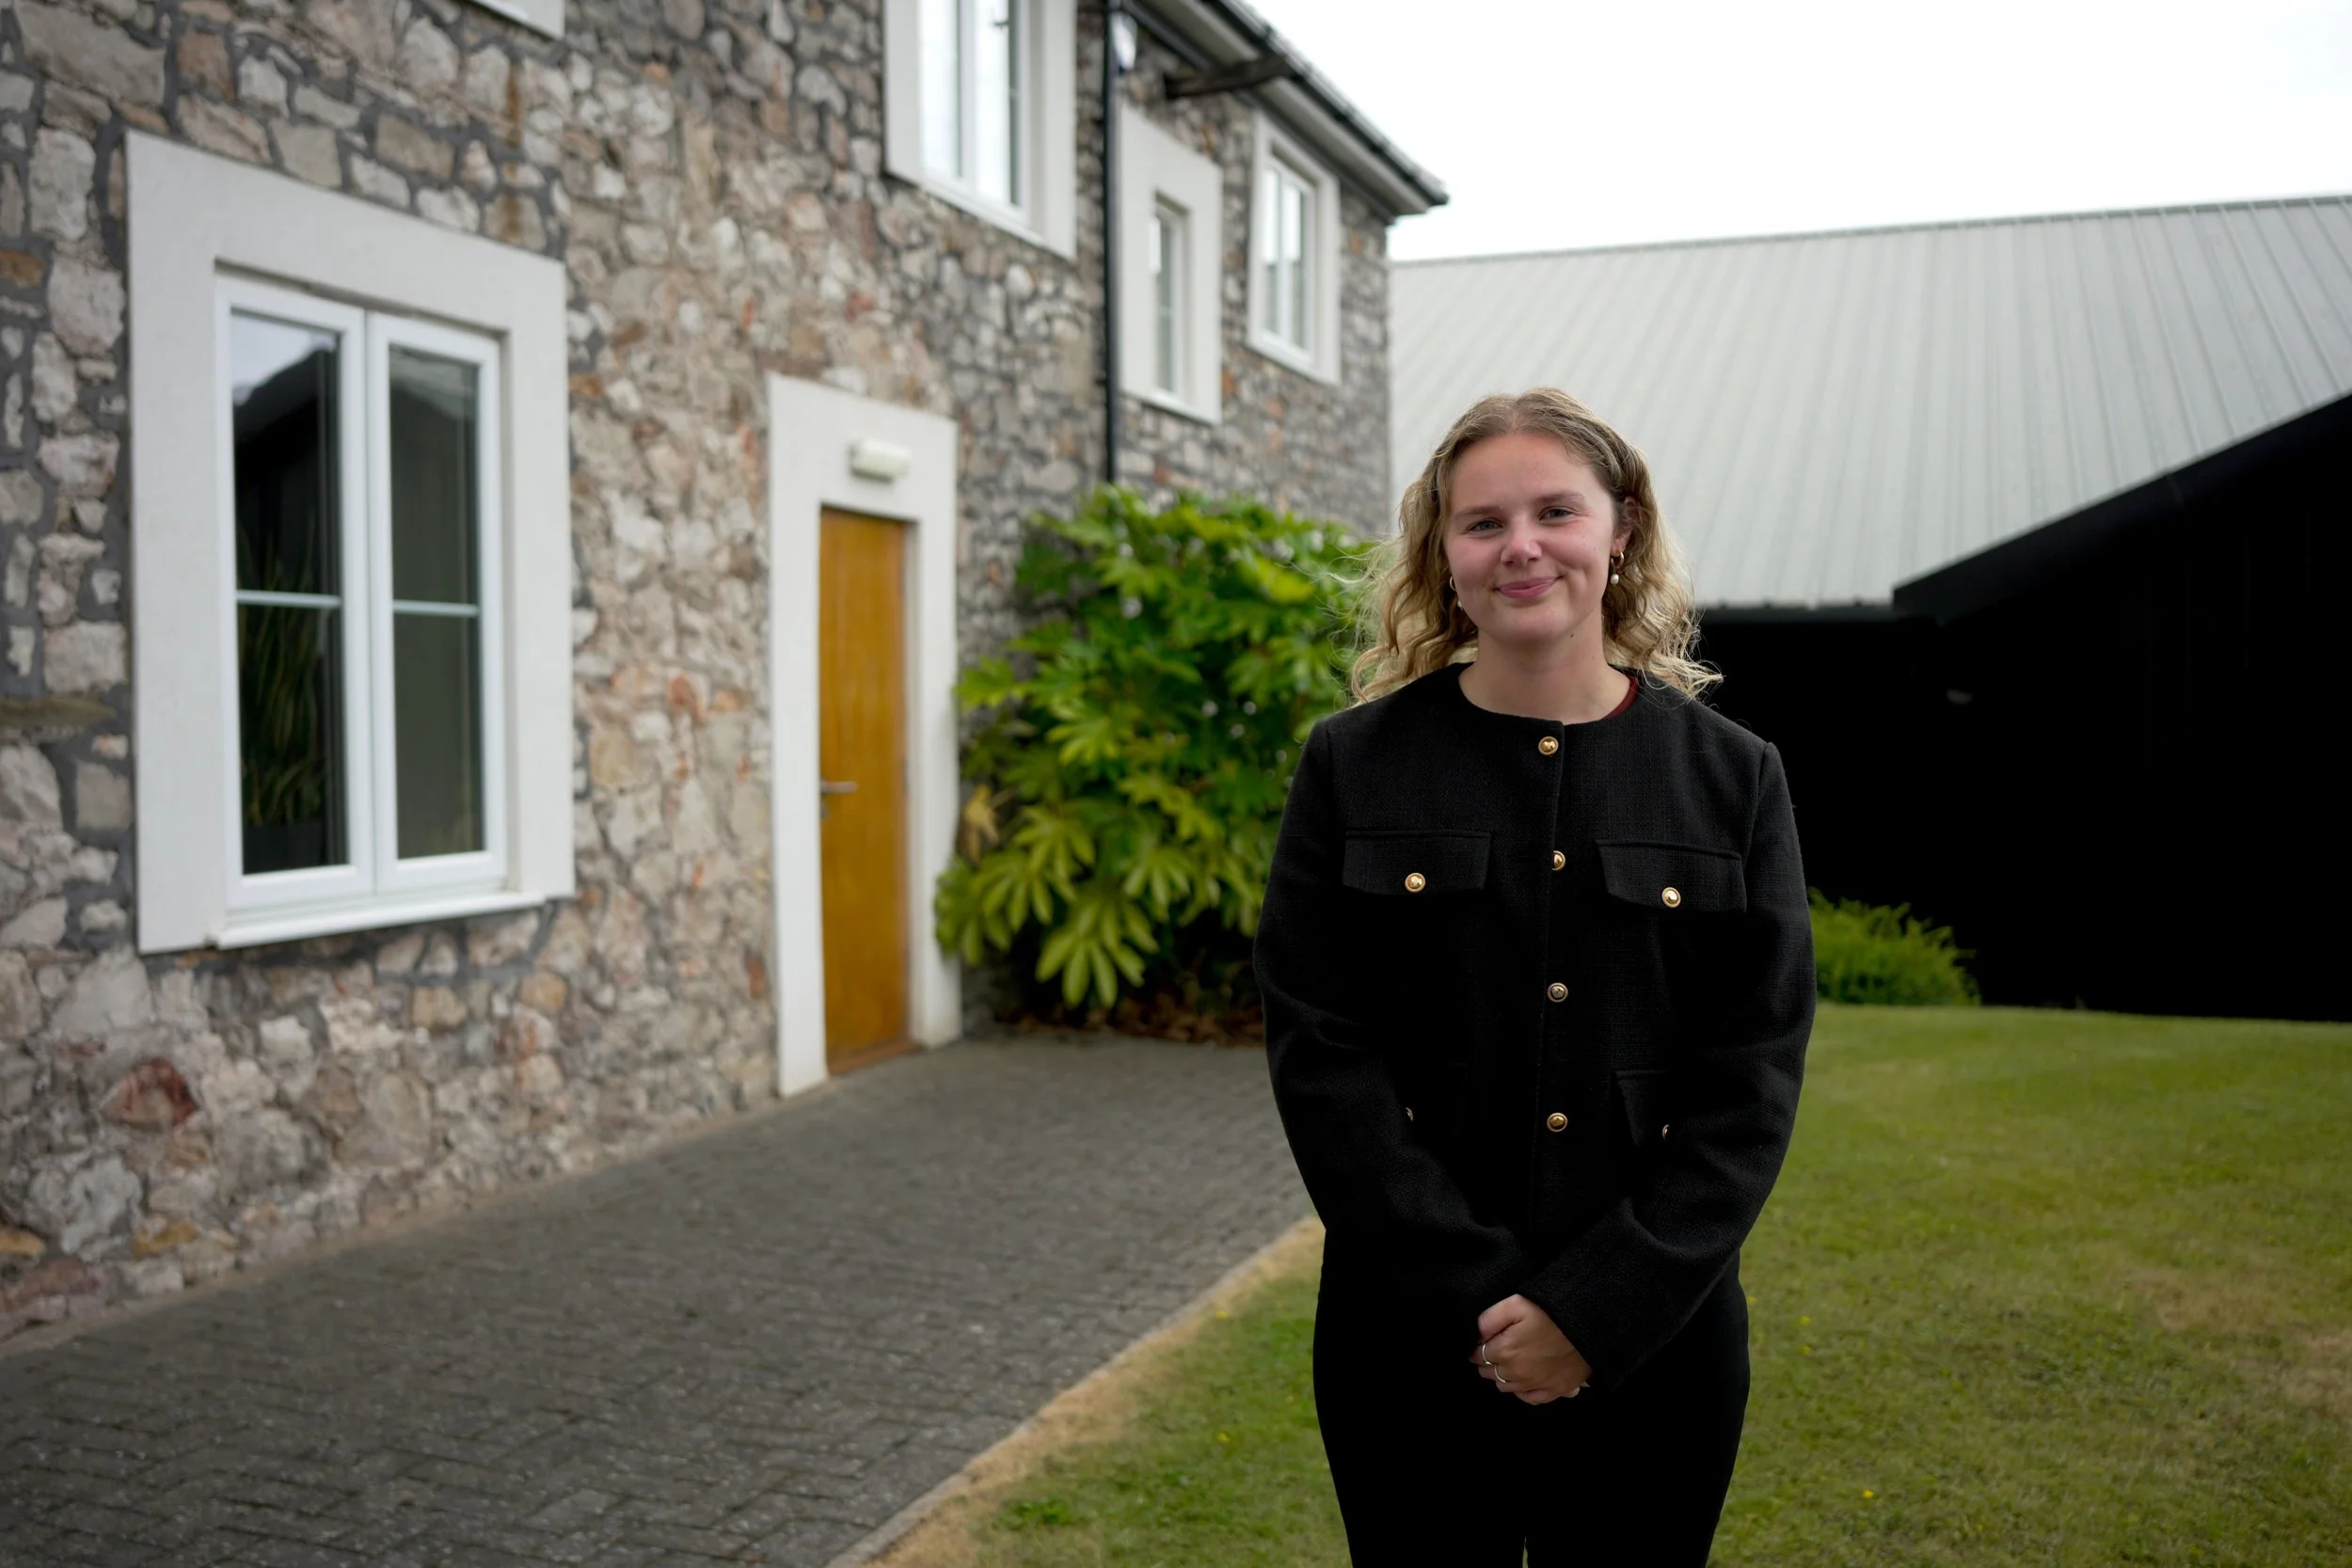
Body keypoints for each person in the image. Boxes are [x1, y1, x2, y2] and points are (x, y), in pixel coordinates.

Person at [1255, 388, 1814, 1565]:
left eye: (1555, 510)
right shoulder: (1350, 767)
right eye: (1481, 522)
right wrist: (1477, 1304)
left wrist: (1592, 1311)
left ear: (1619, 534)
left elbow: (1749, 1078)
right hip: (1405, 1343)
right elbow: (1322, 1056)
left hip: (1657, 1346)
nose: (1520, 546)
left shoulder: (1732, 777)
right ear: (1441, 557)